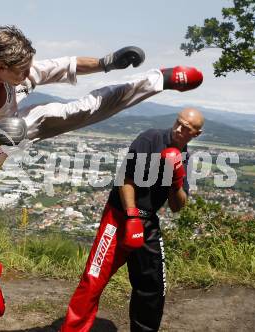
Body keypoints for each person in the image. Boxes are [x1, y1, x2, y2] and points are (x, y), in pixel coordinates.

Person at [0, 25, 203, 318]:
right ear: (1, 67)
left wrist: (107, 62)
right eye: (22, 71)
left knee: (86, 107)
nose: (29, 74)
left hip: (14, 131)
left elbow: (65, 66)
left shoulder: (20, 70)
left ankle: (160, 78)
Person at [60, 108, 205, 332]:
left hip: (148, 222)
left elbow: (177, 206)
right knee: (94, 278)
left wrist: (176, 180)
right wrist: (131, 215)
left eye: (186, 128)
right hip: (119, 215)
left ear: (196, 134)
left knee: (153, 286)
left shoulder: (186, 159)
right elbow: (125, 179)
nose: (178, 129)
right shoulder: (150, 139)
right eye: (178, 122)